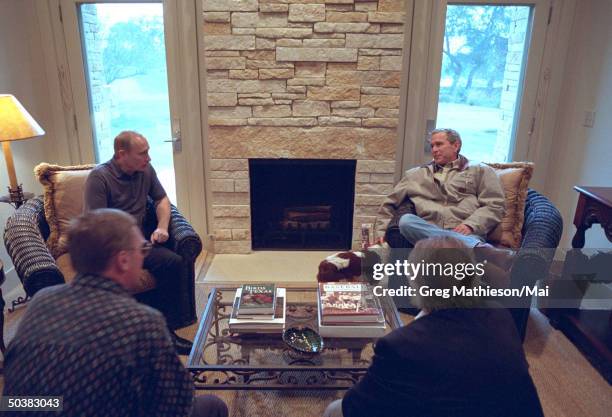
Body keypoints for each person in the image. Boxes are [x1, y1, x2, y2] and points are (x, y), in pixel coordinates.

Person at [3, 209, 228, 417]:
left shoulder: (41, 301)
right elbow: (178, 407)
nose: (144, 255)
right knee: (212, 405)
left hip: (23, 408)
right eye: (142, 249)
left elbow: (13, 400)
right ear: (123, 260)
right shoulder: (141, 323)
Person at [323, 236, 544, 417]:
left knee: (334, 410)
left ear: (417, 282)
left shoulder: (400, 346)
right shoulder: (499, 315)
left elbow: (357, 407)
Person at [84, 130, 192, 354]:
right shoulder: (100, 178)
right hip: (111, 246)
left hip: (139, 241)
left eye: (148, 152)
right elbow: (96, 224)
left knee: (173, 262)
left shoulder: (145, 170)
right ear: (122, 154)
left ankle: (167, 331)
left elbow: (162, 199)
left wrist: (162, 226)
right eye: (143, 153)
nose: (149, 158)